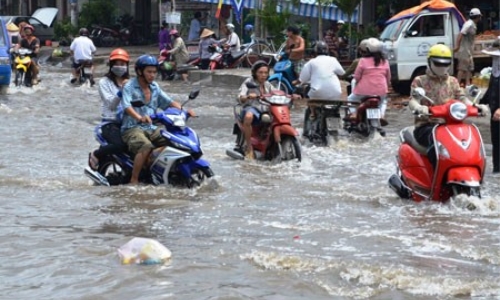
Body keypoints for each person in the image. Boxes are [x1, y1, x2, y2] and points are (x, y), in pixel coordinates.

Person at [409, 44, 489, 167]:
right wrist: (419, 108)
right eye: (438, 63)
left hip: (452, 125)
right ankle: (435, 179)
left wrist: (476, 106)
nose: (442, 67)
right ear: (429, 61)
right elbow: (413, 100)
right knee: (436, 147)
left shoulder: (453, 81)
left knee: (469, 143)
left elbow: (461, 98)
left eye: (445, 64)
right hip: (427, 126)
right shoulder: (420, 80)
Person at [120, 55, 189, 184]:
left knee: (175, 142)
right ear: (140, 72)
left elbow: (168, 102)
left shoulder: (155, 87)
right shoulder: (129, 86)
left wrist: (184, 110)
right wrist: (139, 117)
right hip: (132, 128)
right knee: (146, 146)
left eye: (154, 72)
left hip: (151, 127)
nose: (152, 75)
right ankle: (134, 179)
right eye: (149, 72)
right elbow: (126, 106)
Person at [88, 48, 131, 171]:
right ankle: (96, 154)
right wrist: (121, 91)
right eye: (116, 64)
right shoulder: (104, 82)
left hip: (128, 121)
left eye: (122, 64)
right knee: (119, 145)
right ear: (111, 65)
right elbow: (111, 104)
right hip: (110, 122)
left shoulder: (131, 82)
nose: (119, 67)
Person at [237, 61, 279, 159]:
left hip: (265, 109)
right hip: (252, 107)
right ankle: (249, 147)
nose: (263, 75)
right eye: (260, 72)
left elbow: (276, 93)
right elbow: (240, 96)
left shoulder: (268, 84)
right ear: (255, 72)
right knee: (248, 116)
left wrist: (292, 95)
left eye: (265, 73)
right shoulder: (249, 82)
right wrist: (247, 96)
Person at [347, 37, 390, 125]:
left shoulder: (363, 61)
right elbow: (388, 77)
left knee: (350, 99)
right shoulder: (385, 61)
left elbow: (357, 77)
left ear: (367, 49)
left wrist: (358, 82)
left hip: (363, 91)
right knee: (383, 102)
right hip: (381, 91)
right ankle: (381, 115)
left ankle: (354, 113)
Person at [299, 41, 345, 120]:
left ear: (315, 51)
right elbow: (342, 73)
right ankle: (335, 112)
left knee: (306, 90)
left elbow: (302, 79)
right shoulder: (333, 60)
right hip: (336, 93)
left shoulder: (311, 62)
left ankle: (312, 112)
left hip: (317, 93)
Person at [479, 42, 500, 173]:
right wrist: (480, 103)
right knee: (496, 141)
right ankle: (497, 169)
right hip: (494, 113)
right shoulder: (495, 71)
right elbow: (491, 89)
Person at [454, 8, 482, 87]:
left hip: (469, 50)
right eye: (480, 17)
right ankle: (456, 85)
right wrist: (457, 46)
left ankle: (467, 84)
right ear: (478, 16)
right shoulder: (468, 24)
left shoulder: (472, 24)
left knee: (469, 68)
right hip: (464, 50)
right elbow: (461, 34)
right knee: (462, 68)